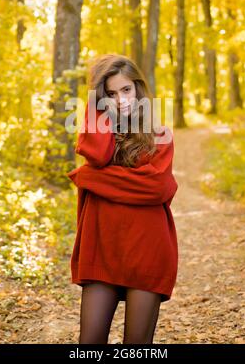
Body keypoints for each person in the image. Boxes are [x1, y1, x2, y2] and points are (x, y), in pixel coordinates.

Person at [66, 54, 179, 344]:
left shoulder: (159, 135)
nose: (120, 99)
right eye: (110, 93)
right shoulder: (96, 135)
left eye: (126, 90)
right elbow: (99, 156)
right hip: (102, 247)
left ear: (139, 89)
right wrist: (99, 110)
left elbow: (157, 188)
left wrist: (92, 178)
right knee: (88, 345)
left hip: (147, 250)